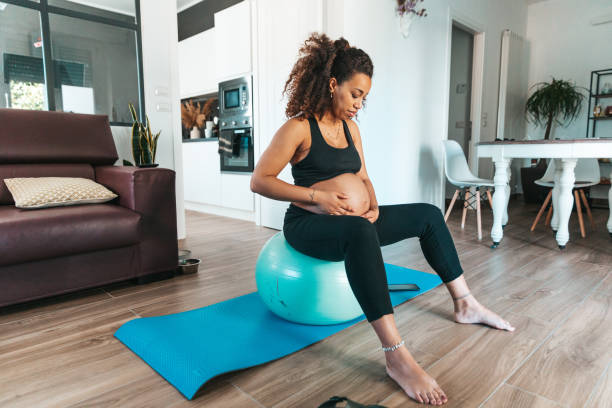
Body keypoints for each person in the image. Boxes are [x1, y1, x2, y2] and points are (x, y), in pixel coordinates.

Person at [250, 33, 515, 406]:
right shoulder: (298, 128)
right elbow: (260, 181)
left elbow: (363, 175)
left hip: (355, 221)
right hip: (308, 225)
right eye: (355, 94)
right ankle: (396, 355)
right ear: (332, 85)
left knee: (428, 214)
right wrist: (319, 197)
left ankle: (465, 303)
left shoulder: (350, 128)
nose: (360, 104)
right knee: (358, 230)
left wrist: (372, 203)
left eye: (364, 97)